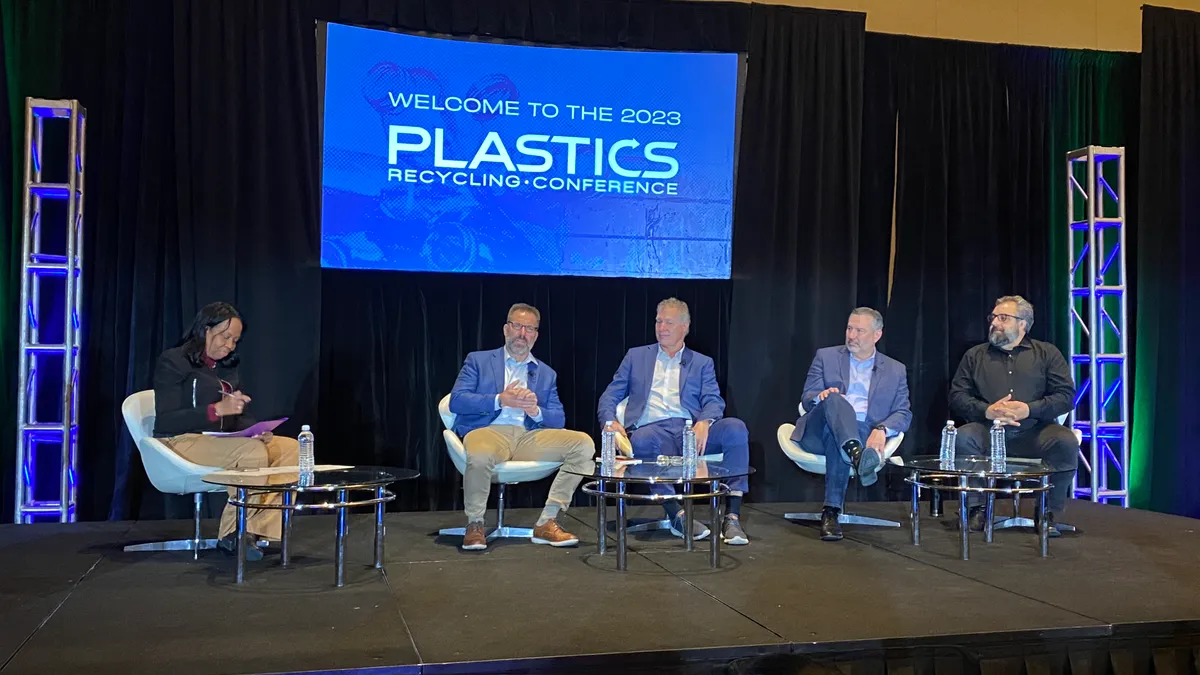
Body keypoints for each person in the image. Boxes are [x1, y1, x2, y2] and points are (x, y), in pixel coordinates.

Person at [597, 297, 752, 546]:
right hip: (653, 431)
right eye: (658, 321)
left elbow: (713, 400)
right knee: (642, 438)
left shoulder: (702, 363)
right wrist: (609, 422)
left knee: (736, 429)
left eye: (668, 322)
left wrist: (705, 421)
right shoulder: (636, 357)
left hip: (691, 431)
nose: (661, 327)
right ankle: (676, 515)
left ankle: (732, 517)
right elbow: (611, 395)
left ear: (685, 327)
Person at [152, 302, 299, 561]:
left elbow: (237, 419)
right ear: (205, 330)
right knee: (252, 452)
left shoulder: (226, 368)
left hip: (219, 443)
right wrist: (216, 410)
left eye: (235, 340)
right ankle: (234, 533)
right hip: (179, 442)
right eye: (225, 336)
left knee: (289, 448)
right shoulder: (174, 361)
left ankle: (254, 531)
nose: (230, 345)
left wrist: (254, 430)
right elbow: (165, 421)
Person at [449, 303, 595, 551]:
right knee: (481, 454)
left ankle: (547, 521)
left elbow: (558, 419)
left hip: (528, 437)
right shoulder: (479, 360)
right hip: (489, 431)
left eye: (529, 328)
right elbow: (457, 400)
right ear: (506, 329)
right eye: (517, 326)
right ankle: (475, 523)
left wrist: (535, 410)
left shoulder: (545, 373)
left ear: (536, 335)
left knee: (583, 444)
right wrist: (499, 399)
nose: (522, 333)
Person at [949, 295, 1078, 536]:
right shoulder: (974, 356)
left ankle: (1047, 513)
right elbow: (957, 396)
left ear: (1023, 323)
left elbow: (1065, 396)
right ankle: (977, 510)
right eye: (993, 317)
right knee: (964, 437)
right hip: (989, 430)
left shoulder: (1047, 353)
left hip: (1034, 432)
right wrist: (987, 410)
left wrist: (1029, 409)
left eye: (1003, 317)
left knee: (1065, 441)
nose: (994, 322)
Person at [791, 308, 912, 541]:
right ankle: (857, 456)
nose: (852, 335)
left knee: (838, 437)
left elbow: (903, 413)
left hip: (863, 431)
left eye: (859, 330)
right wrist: (822, 396)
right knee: (835, 399)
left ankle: (831, 511)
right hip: (817, 428)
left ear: (877, 335)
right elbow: (807, 397)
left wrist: (881, 429)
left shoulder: (895, 370)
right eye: (849, 328)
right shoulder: (826, 357)